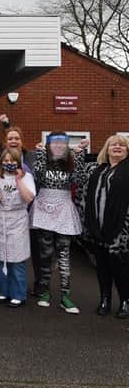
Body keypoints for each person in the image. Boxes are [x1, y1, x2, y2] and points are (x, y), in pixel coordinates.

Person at [30, 132, 88, 314]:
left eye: (62, 144)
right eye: (54, 143)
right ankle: (45, 292)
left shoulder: (69, 164)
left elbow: (79, 181)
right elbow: (37, 176)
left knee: (64, 254)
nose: (58, 146)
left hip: (63, 209)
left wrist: (79, 157)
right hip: (43, 208)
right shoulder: (43, 161)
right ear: (48, 145)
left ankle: (65, 295)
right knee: (45, 254)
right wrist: (39, 153)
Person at [0, 148, 36, 308]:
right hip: (0, 217)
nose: (9, 163)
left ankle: (19, 294)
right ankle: (4, 291)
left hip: (17, 218)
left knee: (16, 259)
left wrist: (18, 181)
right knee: (1, 258)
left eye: (12, 161)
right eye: (5, 161)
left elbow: (28, 197)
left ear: (18, 162)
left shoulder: (27, 177)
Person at [83, 135, 129, 318]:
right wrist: (79, 153)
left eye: (122, 145)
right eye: (113, 144)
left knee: (120, 267)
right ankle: (105, 299)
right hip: (98, 226)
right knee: (102, 266)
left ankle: (125, 301)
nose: (117, 147)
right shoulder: (98, 169)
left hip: (122, 228)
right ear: (107, 149)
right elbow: (79, 180)